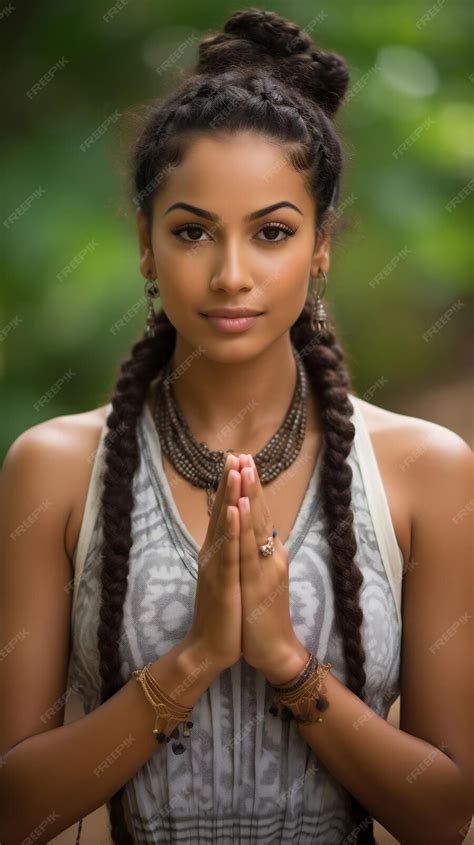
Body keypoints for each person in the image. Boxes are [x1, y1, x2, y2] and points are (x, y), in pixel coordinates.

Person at [0, 8, 472, 845]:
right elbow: (15, 807)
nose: (230, 275)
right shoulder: (52, 467)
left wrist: (287, 662)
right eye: (192, 232)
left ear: (321, 246)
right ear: (146, 245)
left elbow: (442, 816)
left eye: (273, 232)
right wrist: (192, 660)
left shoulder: (426, 470)